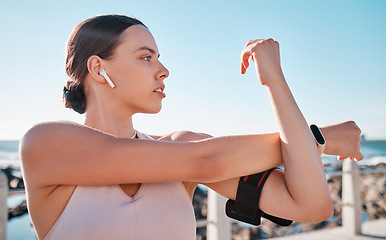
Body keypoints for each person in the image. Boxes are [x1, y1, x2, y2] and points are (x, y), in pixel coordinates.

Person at [20, 14, 363, 240]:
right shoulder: (46, 143)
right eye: (146, 57)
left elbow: (312, 206)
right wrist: (319, 139)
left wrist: (274, 80)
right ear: (98, 69)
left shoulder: (183, 147)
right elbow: (205, 161)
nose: (163, 69)